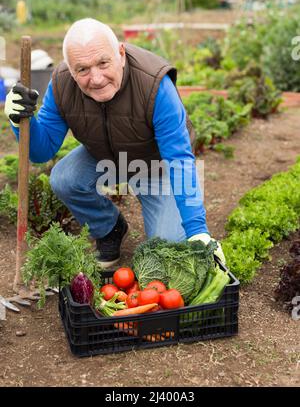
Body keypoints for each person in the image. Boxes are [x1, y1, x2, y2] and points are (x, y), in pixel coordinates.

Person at [4, 18, 225, 268]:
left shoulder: (154, 83)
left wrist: (198, 231)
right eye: (83, 69)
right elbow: (41, 152)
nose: (96, 78)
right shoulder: (62, 84)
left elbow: (179, 160)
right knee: (64, 178)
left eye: (103, 63)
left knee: (168, 248)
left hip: (155, 163)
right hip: (104, 155)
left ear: (120, 53)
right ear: (71, 69)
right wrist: (21, 121)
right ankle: (109, 228)